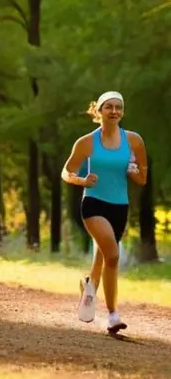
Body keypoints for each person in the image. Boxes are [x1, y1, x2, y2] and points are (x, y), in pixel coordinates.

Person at [60, 91, 147, 334]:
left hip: (120, 206)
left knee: (103, 256)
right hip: (94, 203)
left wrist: (133, 171)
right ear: (98, 111)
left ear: (122, 112)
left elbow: (142, 179)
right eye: (108, 107)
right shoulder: (87, 142)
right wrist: (81, 181)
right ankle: (112, 315)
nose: (114, 111)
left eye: (118, 107)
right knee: (112, 255)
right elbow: (66, 172)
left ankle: (88, 286)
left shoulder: (134, 141)